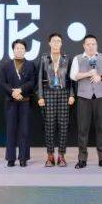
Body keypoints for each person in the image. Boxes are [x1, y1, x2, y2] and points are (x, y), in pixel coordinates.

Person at [70, 34, 102, 169]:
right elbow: (73, 76)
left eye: (93, 44)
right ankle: (82, 159)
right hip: (84, 98)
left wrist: (100, 77)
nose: (91, 46)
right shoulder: (78, 58)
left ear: (97, 45)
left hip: (101, 97)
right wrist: (87, 74)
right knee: (82, 130)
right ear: (84, 46)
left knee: (101, 129)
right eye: (88, 44)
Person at [35, 33, 74, 167]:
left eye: (58, 41)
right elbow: (39, 79)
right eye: (54, 41)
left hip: (64, 93)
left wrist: (72, 94)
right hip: (48, 93)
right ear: (49, 43)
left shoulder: (67, 58)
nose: (56, 43)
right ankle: (50, 156)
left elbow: (71, 79)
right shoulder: (44, 58)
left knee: (63, 125)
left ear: (61, 43)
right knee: (49, 125)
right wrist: (40, 96)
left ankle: (61, 156)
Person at [1, 39, 36, 167]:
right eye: (17, 48)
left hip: (25, 101)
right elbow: (3, 82)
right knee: (10, 130)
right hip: (11, 102)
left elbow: (32, 82)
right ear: (13, 50)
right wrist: (13, 92)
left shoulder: (30, 65)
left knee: (24, 130)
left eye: (22, 48)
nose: (19, 50)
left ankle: (23, 158)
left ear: (25, 50)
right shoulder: (6, 65)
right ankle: (10, 158)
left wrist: (21, 89)